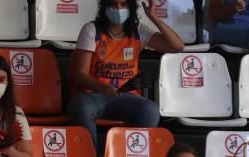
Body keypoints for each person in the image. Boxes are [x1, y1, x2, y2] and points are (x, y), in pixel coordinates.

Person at [68, 0, 184, 143]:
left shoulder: (139, 30)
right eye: (113, 4)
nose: (118, 8)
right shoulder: (92, 30)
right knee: (81, 106)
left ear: (131, 8)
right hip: (94, 96)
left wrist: (153, 17)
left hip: (126, 97)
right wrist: (103, 87)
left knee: (150, 111)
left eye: (123, 4)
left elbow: (177, 46)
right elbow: (79, 74)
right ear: (105, 7)